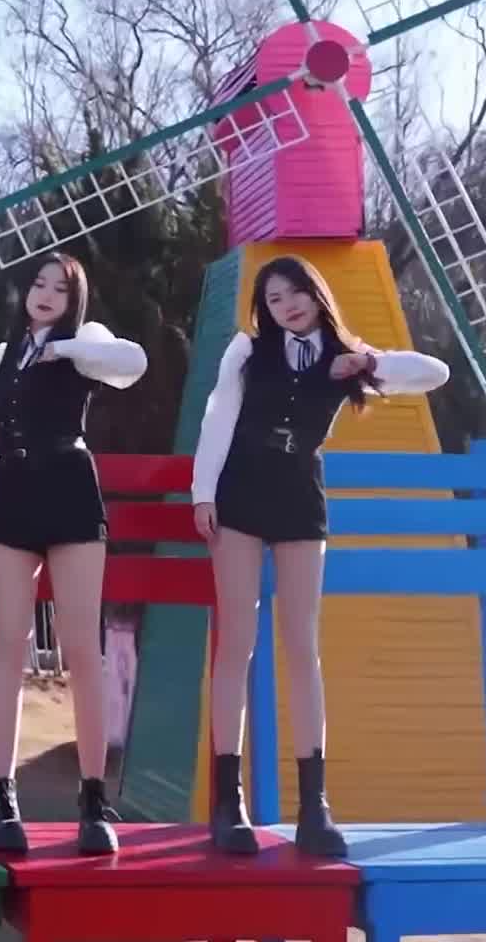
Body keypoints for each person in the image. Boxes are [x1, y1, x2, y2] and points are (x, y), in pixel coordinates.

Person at [191, 254, 448, 857]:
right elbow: (218, 416)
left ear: (316, 292)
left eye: (296, 292)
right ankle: (229, 803)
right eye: (274, 299)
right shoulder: (247, 351)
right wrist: (203, 493)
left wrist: (368, 362)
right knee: (236, 642)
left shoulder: (344, 355)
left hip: (299, 494)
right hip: (241, 488)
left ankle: (315, 806)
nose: (288, 306)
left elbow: (432, 373)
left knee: (301, 645)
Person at [0, 252, 146, 855]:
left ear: (74, 301)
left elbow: (132, 364)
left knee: (81, 650)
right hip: (14, 492)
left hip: (69, 485)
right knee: (9, 647)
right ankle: (3, 797)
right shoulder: (5, 353)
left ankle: (93, 799)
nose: (43, 294)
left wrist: (64, 349)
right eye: (38, 283)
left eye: (59, 289)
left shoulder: (86, 343)